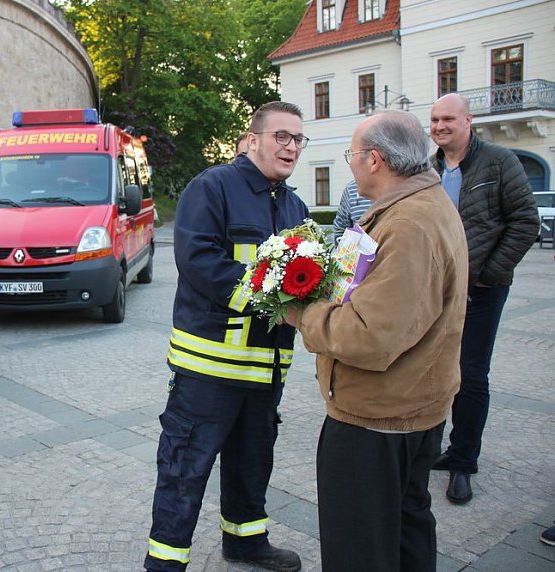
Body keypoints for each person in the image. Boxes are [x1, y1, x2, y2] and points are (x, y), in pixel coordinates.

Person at [287, 110, 469, 571]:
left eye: (352, 154)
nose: (349, 163)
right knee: (405, 526)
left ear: (376, 160)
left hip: (377, 418)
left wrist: (302, 313)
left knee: (360, 545)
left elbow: (370, 336)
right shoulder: (416, 204)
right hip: (404, 408)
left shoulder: (409, 223)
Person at [144, 101, 308, 572]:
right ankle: (165, 561)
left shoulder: (294, 204)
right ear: (253, 139)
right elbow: (198, 261)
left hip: (265, 368)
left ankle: (246, 540)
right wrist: (271, 302)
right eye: (281, 136)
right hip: (208, 368)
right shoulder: (211, 187)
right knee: (184, 466)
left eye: (298, 139)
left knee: (252, 461)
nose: (291, 146)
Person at [428, 93, 539, 505]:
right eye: (435, 120)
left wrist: (489, 274)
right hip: (436, 290)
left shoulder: (498, 161)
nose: (440, 126)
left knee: (470, 376)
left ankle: (463, 463)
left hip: (482, 290)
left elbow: (526, 221)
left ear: (468, 121)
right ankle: (435, 450)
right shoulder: (430, 167)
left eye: (448, 119)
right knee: (434, 370)